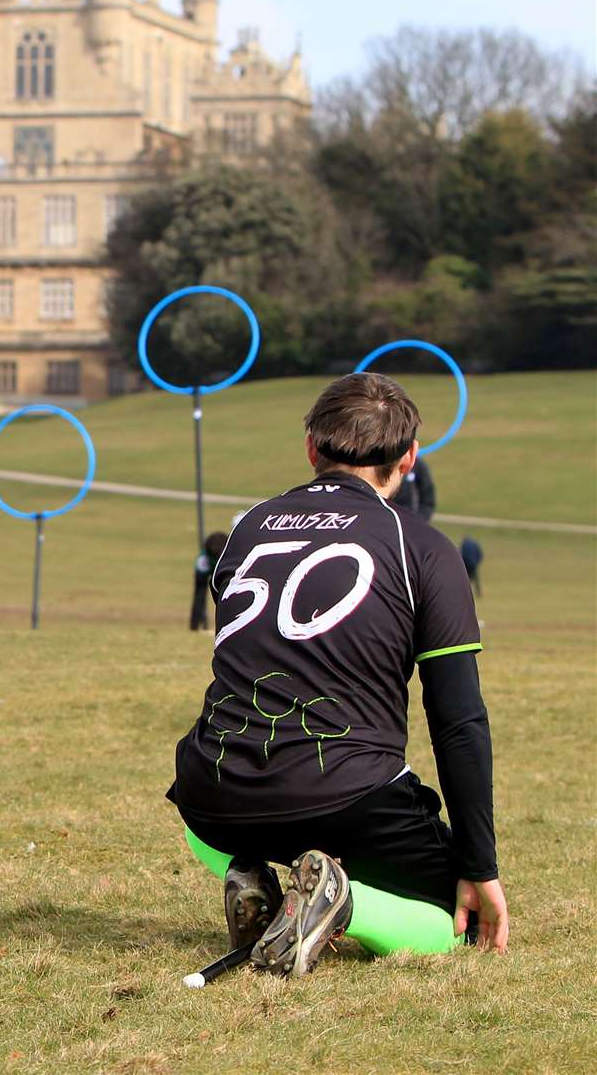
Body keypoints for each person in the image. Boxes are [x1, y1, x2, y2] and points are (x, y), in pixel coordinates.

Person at [168, 371, 507, 980]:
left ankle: (256, 875)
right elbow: (458, 721)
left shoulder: (247, 527)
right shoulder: (422, 548)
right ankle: (342, 904)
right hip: (344, 794)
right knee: (457, 921)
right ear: (409, 457)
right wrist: (480, 867)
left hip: (209, 793)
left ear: (310, 449)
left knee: (218, 804)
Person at [190, 531, 228, 631]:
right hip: (207, 566)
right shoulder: (204, 557)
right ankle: (194, 626)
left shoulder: (229, 555)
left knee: (225, 596)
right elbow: (200, 584)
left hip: (223, 568)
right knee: (199, 596)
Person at [390, 452, 435, 521]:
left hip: (411, 518)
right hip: (388, 518)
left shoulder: (418, 465)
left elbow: (428, 495)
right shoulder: (384, 464)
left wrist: (419, 520)